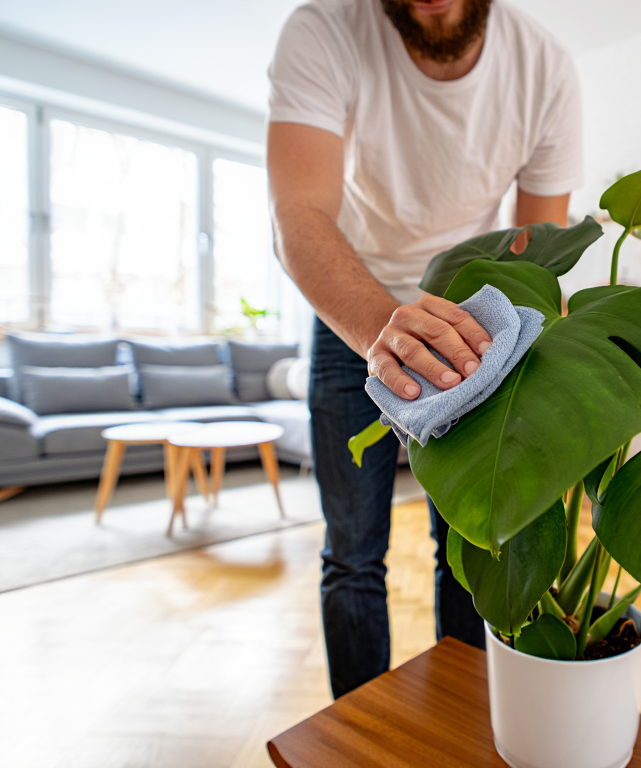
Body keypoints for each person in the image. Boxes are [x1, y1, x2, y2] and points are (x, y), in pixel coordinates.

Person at [265, 0, 583, 697]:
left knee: (469, 545)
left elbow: (538, 257)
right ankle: (361, 731)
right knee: (352, 551)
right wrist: (381, 326)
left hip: (472, 322)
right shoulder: (324, 30)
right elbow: (299, 212)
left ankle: (461, 724)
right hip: (352, 310)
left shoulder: (545, 70)